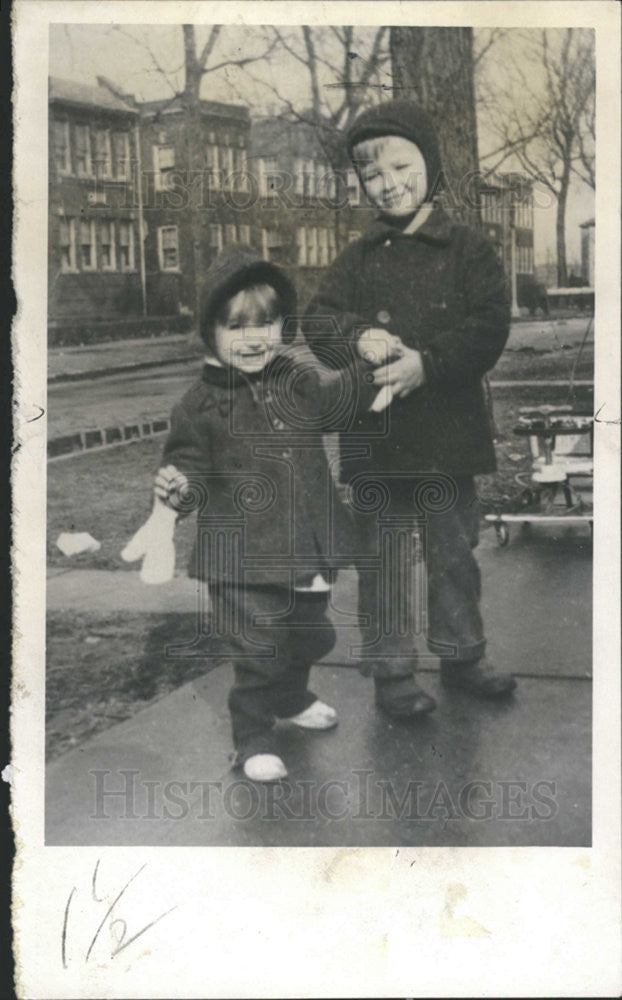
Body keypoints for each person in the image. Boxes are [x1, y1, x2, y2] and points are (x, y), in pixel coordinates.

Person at [125, 245, 373, 782]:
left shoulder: (296, 378)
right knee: (258, 646)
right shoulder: (199, 404)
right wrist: (178, 490)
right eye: (236, 326)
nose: (254, 337)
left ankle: (290, 696)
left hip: (306, 543)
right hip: (241, 558)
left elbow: (338, 401)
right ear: (210, 332)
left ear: (283, 326)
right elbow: (186, 465)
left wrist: (370, 369)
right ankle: (253, 738)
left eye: (267, 322)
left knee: (311, 635)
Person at [303, 99, 517, 719]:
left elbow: (488, 327)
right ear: (361, 185)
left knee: (453, 553)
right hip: (378, 444)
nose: (389, 183)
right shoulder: (359, 257)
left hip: (447, 439)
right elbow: (319, 319)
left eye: (402, 166)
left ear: (431, 166)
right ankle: (392, 672)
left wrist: (429, 363)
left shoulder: (469, 249)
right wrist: (358, 335)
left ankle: (463, 655)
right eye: (373, 175)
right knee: (386, 562)